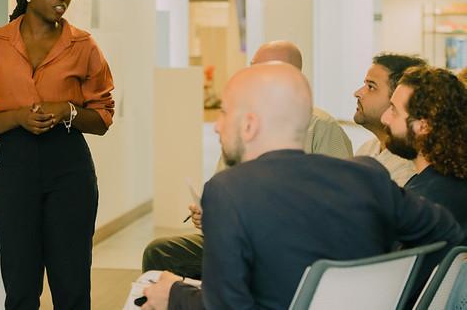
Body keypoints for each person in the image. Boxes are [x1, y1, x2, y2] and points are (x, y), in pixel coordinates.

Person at [141, 62, 463, 310]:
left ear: (250, 125)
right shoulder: (367, 175)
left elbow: (227, 306)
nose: (216, 125)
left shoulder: (228, 190)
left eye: (224, 113)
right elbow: (448, 233)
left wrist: (174, 292)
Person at [0, 0, 115, 310]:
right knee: (20, 288)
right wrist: (17, 117)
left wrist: (68, 111)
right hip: (16, 172)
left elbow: (103, 117)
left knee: (72, 286)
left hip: (70, 171)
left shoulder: (83, 46)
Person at [141, 40, 351, 280]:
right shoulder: (241, 122)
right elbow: (223, 185)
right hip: (240, 236)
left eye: (258, 69)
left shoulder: (321, 127)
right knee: (160, 252)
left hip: (286, 244)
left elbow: (337, 207)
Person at [382, 65, 467, 231]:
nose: (384, 118)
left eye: (394, 110)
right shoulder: (455, 183)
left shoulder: (424, 203)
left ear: (423, 126)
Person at [353, 53, 425, 186]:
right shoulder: (366, 149)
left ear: (397, 97)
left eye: (371, 87)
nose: (357, 93)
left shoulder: (410, 167)